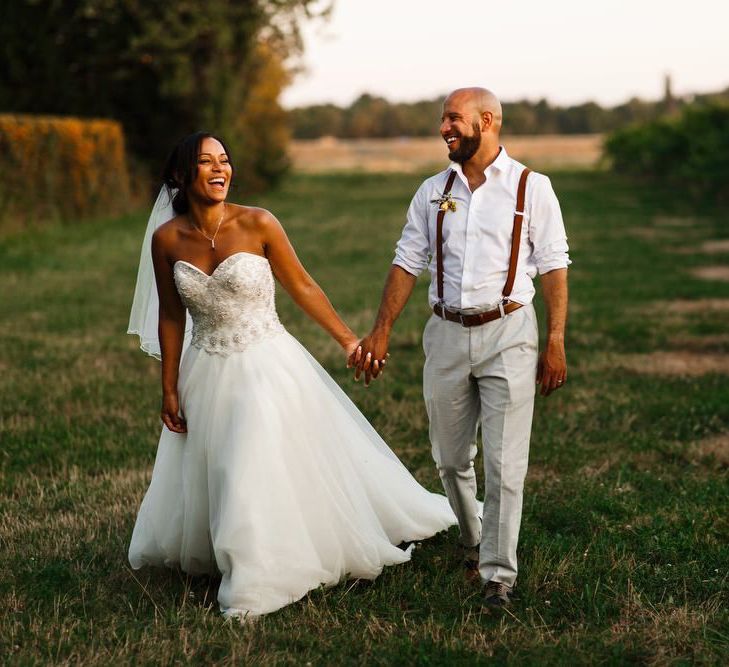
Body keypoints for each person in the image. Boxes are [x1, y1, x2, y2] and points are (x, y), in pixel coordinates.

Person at [126, 132, 456, 621]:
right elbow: (171, 317)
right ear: (180, 175)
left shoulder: (259, 222)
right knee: (218, 468)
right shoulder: (167, 239)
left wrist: (347, 340)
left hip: (266, 363)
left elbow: (301, 284)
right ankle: (229, 550)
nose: (220, 169)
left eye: (225, 160)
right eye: (205, 161)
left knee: (248, 459)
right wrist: (169, 386)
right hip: (206, 369)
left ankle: (259, 573)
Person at [351, 88, 570, 608]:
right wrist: (381, 330)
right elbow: (408, 261)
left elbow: (555, 262)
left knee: (504, 461)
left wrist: (556, 338)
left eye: (454, 119)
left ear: (487, 121)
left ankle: (498, 574)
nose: (444, 128)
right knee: (450, 460)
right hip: (445, 333)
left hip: (510, 331)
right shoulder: (432, 191)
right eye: (443, 119)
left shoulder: (530, 187)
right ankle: (473, 540)